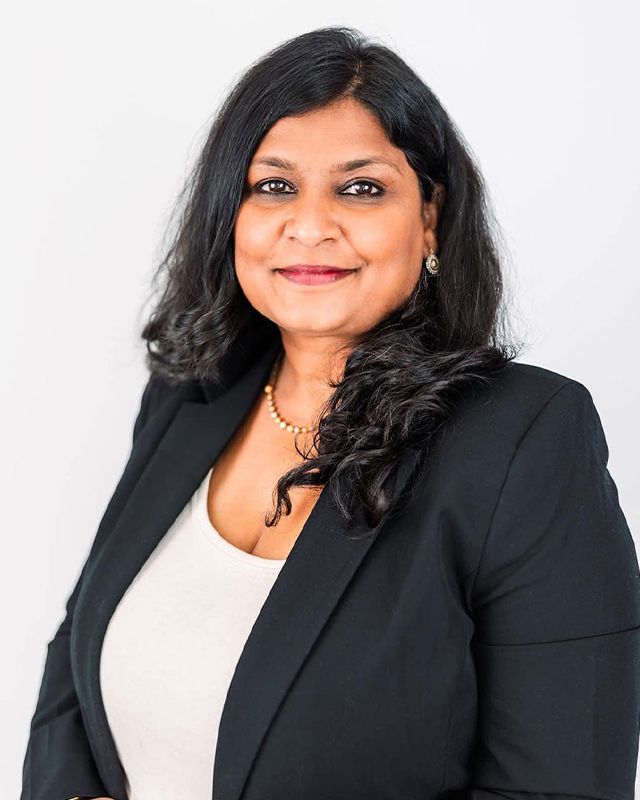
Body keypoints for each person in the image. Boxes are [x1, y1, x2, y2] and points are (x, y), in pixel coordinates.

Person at [20, 24, 640, 800]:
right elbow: (72, 660)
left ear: (430, 218)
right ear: (230, 215)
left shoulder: (523, 439)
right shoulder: (192, 393)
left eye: (361, 187)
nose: (309, 225)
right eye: (273, 185)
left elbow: (561, 785)